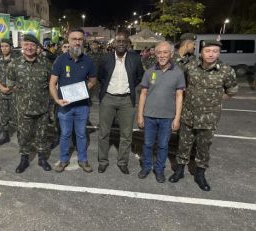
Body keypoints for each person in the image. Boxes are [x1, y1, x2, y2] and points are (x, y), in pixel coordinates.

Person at [168, 40, 238, 191]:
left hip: (209, 117)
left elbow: (231, 91)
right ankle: (179, 171)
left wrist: (215, 101)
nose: (211, 54)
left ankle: (200, 175)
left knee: (203, 147)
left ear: (219, 53)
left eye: (215, 51)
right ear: (201, 52)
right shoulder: (190, 67)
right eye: (208, 51)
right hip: (189, 115)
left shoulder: (226, 70)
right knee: (183, 144)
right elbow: (182, 86)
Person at [49, 28, 97, 173]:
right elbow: (52, 83)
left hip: (82, 106)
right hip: (65, 106)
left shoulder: (88, 61)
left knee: (81, 133)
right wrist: (57, 100)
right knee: (65, 134)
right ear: (68, 41)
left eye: (80, 39)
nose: (77, 42)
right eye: (74, 39)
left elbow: (93, 81)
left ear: (83, 41)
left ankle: (83, 160)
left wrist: (81, 92)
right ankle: (63, 160)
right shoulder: (60, 60)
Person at [137, 41, 185, 182]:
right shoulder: (149, 72)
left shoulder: (178, 73)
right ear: (155, 54)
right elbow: (143, 94)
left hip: (167, 117)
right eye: (159, 52)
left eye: (165, 52)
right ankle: (146, 167)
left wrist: (177, 118)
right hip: (149, 116)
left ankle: (159, 170)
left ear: (171, 54)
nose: (162, 55)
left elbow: (179, 96)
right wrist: (140, 115)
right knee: (147, 144)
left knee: (163, 145)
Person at [97, 31, 144, 174]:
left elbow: (139, 76)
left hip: (127, 100)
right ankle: (103, 161)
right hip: (108, 98)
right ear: (114, 43)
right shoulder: (106, 58)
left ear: (128, 43)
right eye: (118, 41)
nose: (121, 43)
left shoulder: (135, 58)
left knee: (126, 134)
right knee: (104, 133)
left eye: (124, 41)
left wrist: (128, 87)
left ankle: (122, 162)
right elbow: (101, 76)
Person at [6, 34, 52, 173]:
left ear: (37, 47)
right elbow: (10, 83)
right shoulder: (14, 64)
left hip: (42, 108)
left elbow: (52, 83)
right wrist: (22, 93)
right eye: (26, 44)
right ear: (22, 46)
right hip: (23, 108)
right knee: (24, 136)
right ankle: (24, 159)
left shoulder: (45, 63)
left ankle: (42, 158)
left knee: (42, 135)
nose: (29, 47)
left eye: (32, 45)